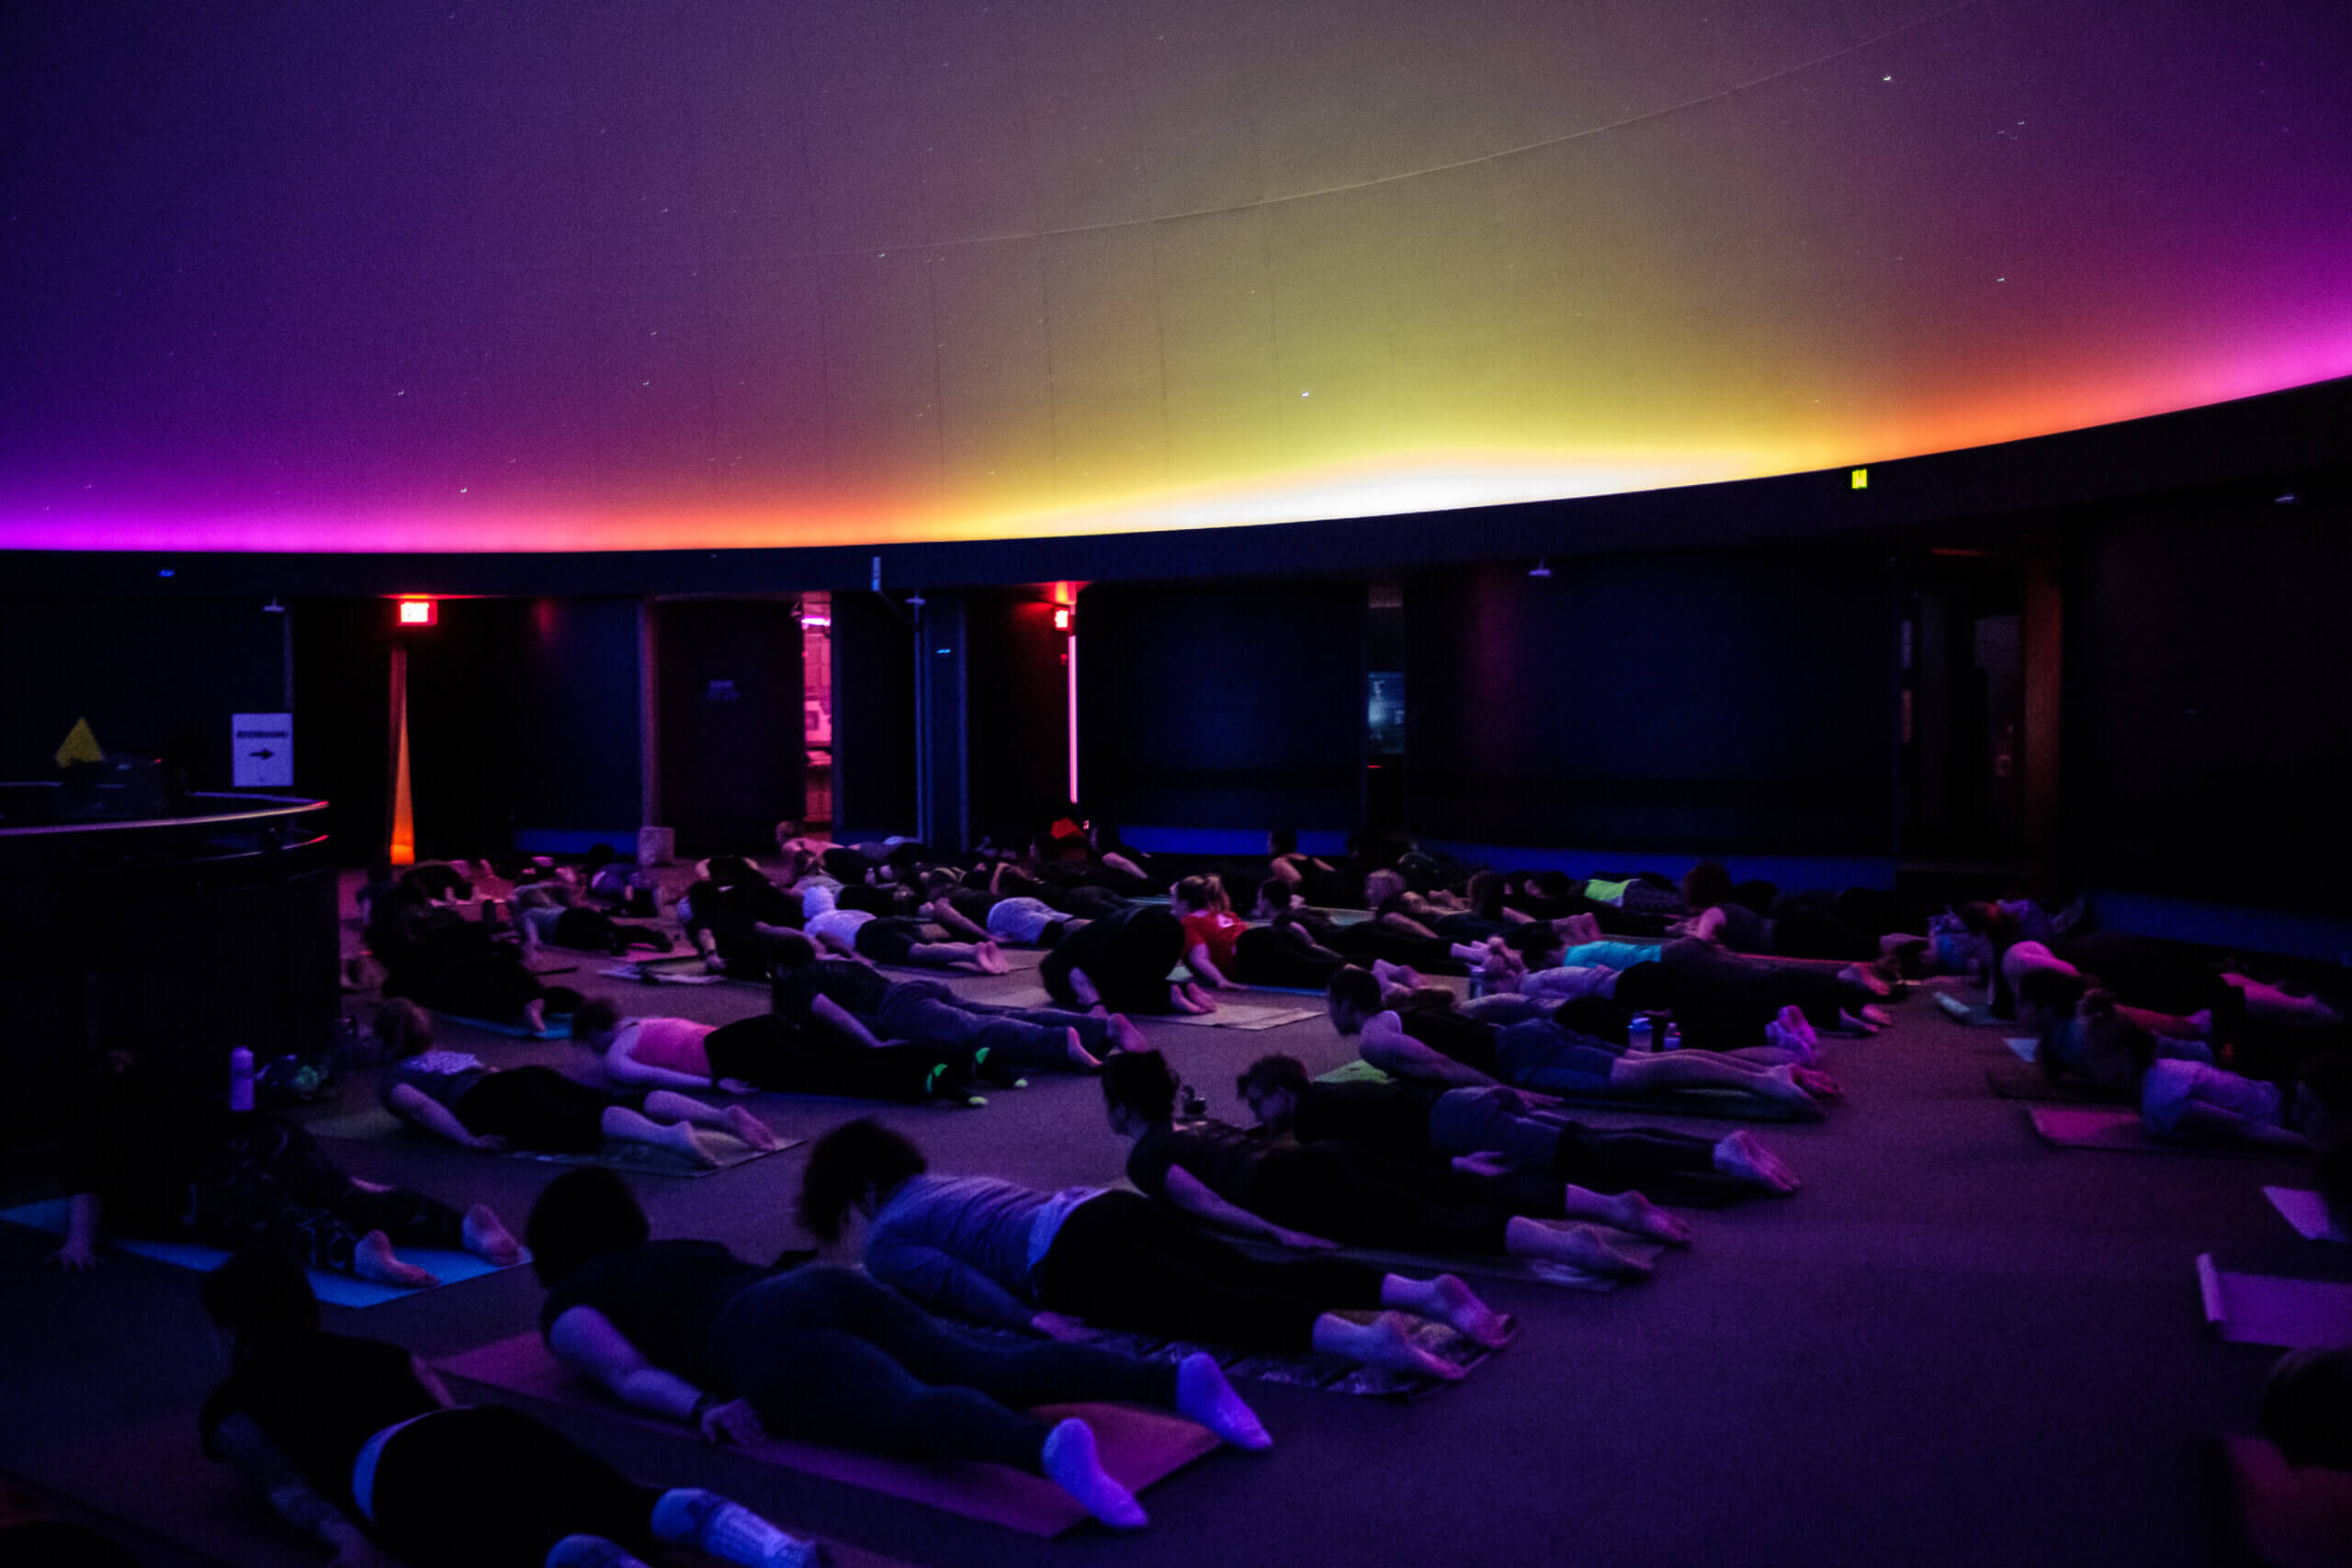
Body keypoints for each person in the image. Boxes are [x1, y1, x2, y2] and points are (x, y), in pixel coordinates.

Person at [526, 1168, 1272, 1530]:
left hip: (754, 1339)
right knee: (986, 1364)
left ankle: (1042, 1449)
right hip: (821, 1285)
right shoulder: (677, 1247)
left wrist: (704, 1406)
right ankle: (1176, 1382)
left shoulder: (567, 1303)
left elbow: (625, 1372)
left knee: (904, 1410)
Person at [198, 1247, 820, 1568]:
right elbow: (440, 1400)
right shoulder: (380, 1348)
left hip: (393, 1468)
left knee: (528, 1543)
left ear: (233, 1330)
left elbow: (280, 1481)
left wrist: (347, 1541)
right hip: (477, 1425)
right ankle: (780, 1552)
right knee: (628, 1500)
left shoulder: (236, 1398)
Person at [799, 1120, 1512, 1380]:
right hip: (1096, 1206)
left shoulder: (888, 1238)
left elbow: (956, 1282)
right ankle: (1420, 1292)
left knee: (1214, 1308)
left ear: (856, 1189)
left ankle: (1365, 1345)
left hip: (1071, 1258)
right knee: (1249, 1267)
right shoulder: (940, 1181)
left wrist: (1030, 1323)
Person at [1101, 1051, 1679, 1275]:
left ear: (1121, 1108)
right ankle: (1609, 1206)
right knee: (1463, 1185)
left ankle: (1572, 1247)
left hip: (1296, 1189)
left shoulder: (1146, 1156)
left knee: (1435, 1222)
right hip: (1330, 1158)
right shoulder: (1193, 1121)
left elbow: (1208, 1205)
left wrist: (1280, 1233)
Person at [50, 1046, 518, 1289]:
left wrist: (77, 1241)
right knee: (344, 1195)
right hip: (260, 1138)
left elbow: (86, 1183)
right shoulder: (165, 1092)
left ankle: (359, 1255)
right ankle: (463, 1227)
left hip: (206, 1177)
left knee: (279, 1218)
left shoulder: (91, 1121)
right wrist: (340, 1178)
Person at [1235, 1054, 1801, 1204]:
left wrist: (1453, 1166)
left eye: (1259, 1103)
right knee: (1588, 1139)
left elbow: (1376, 1156)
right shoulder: (1330, 1091)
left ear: (1282, 1094)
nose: (1258, 1115)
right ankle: (1714, 1149)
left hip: (1458, 1125)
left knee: (1591, 1155)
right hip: (1461, 1105)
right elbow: (1392, 1111)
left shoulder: (1310, 1119)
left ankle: (1717, 1155)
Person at [1324, 965, 1838, 1116]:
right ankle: (1767, 1073)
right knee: (1650, 1057)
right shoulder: (1398, 1009)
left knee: (1639, 1074)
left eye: (1331, 1004)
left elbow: (1437, 1067)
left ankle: (1766, 1084)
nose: (1328, 1015)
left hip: (1516, 1057)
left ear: (1347, 1003)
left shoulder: (1373, 1037)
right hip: (1525, 1036)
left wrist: (1505, 1092)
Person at [372, 1000, 776, 1168]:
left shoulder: (395, 1078)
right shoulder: (449, 1056)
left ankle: (669, 1138)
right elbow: (494, 1076)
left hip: (487, 1099)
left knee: (583, 1124)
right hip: (520, 1076)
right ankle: (722, 1119)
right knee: (617, 1101)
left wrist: (466, 1140)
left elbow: (423, 1107)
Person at [770, 931, 1135, 1073]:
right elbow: (863, 966)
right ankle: (1098, 1029)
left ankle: (1060, 1045)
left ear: (783, 967)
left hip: (895, 1010)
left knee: (980, 1029)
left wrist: (875, 1045)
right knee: (999, 1012)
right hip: (914, 989)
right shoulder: (834, 964)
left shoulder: (797, 982)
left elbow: (829, 1012)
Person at [570, 998, 987, 1108]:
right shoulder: (643, 1021)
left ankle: (924, 1081)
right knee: (843, 1053)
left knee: (837, 1074)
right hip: (753, 1030)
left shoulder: (614, 1054)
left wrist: (714, 1084)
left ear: (595, 1032)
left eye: (589, 1043)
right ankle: (959, 1057)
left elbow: (655, 1078)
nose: (593, 1053)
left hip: (732, 1054)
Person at [1170, 874, 1350, 991]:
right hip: (1260, 937)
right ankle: (1362, 968)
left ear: (1185, 904)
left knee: (1309, 969)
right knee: (1312, 958)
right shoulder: (1221, 915)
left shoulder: (1189, 921)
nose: (1171, 906)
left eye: (1174, 900)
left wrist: (1220, 980)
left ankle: (1360, 975)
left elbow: (1198, 957)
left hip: (1247, 953)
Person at [801, 879, 1011, 974]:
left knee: (918, 952)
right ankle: (976, 948)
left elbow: (831, 939)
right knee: (927, 948)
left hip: (868, 934)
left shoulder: (813, 924)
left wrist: (857, 957)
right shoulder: (846, 911)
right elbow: (873, 918)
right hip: (885, 922)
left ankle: (972, 953)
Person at [1041, 904, 1215, 1015]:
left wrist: (1096, 1005)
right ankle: (1180, 990)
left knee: (1117, 995)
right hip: (1160, 929)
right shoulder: (1101, 934)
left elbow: (1077, 975)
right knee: (1132, 984)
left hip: (1134, 938)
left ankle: (1168, 997)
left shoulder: (1058, 964)